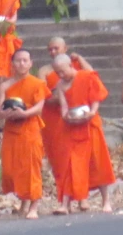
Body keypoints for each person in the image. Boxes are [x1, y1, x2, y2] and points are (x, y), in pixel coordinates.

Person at [52, 54, 115, 214]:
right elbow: (64, 106)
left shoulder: (86, 76)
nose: (61, 75)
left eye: (62, 71)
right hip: (71, 128)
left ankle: (106, 201)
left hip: (90, 125)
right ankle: (65, 204)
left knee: (98, 162)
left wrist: (92, 112)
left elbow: (96, 98)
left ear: (70, 66)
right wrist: (67, 116)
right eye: (57, 73)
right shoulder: (60, 85)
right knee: (69, 164)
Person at [0, 49, 51, 219]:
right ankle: (23, 202)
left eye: (25, 60)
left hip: (30, 129)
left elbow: (39, 107)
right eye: (18, 60)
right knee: (11, 170)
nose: (22, 63)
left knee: (31, 168)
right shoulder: (5, 86)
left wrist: (24, 114)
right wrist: (4, 114)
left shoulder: (37, 84)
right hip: (12, 130)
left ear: (31, 63)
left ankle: (34, 205)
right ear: (12, 64)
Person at [37, 38, 92, 196]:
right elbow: (45, 96)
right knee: (59, 159)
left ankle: (82, 196)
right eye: (50, 50)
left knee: (79, 158)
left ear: (65, 48)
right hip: (54, 119)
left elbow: (91, 77)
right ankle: (64, 194)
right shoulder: (45, 70)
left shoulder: (74, 66)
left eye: (56, 48)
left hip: (78, 118)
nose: (53, 52)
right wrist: (66, 95)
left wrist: (80, 59)